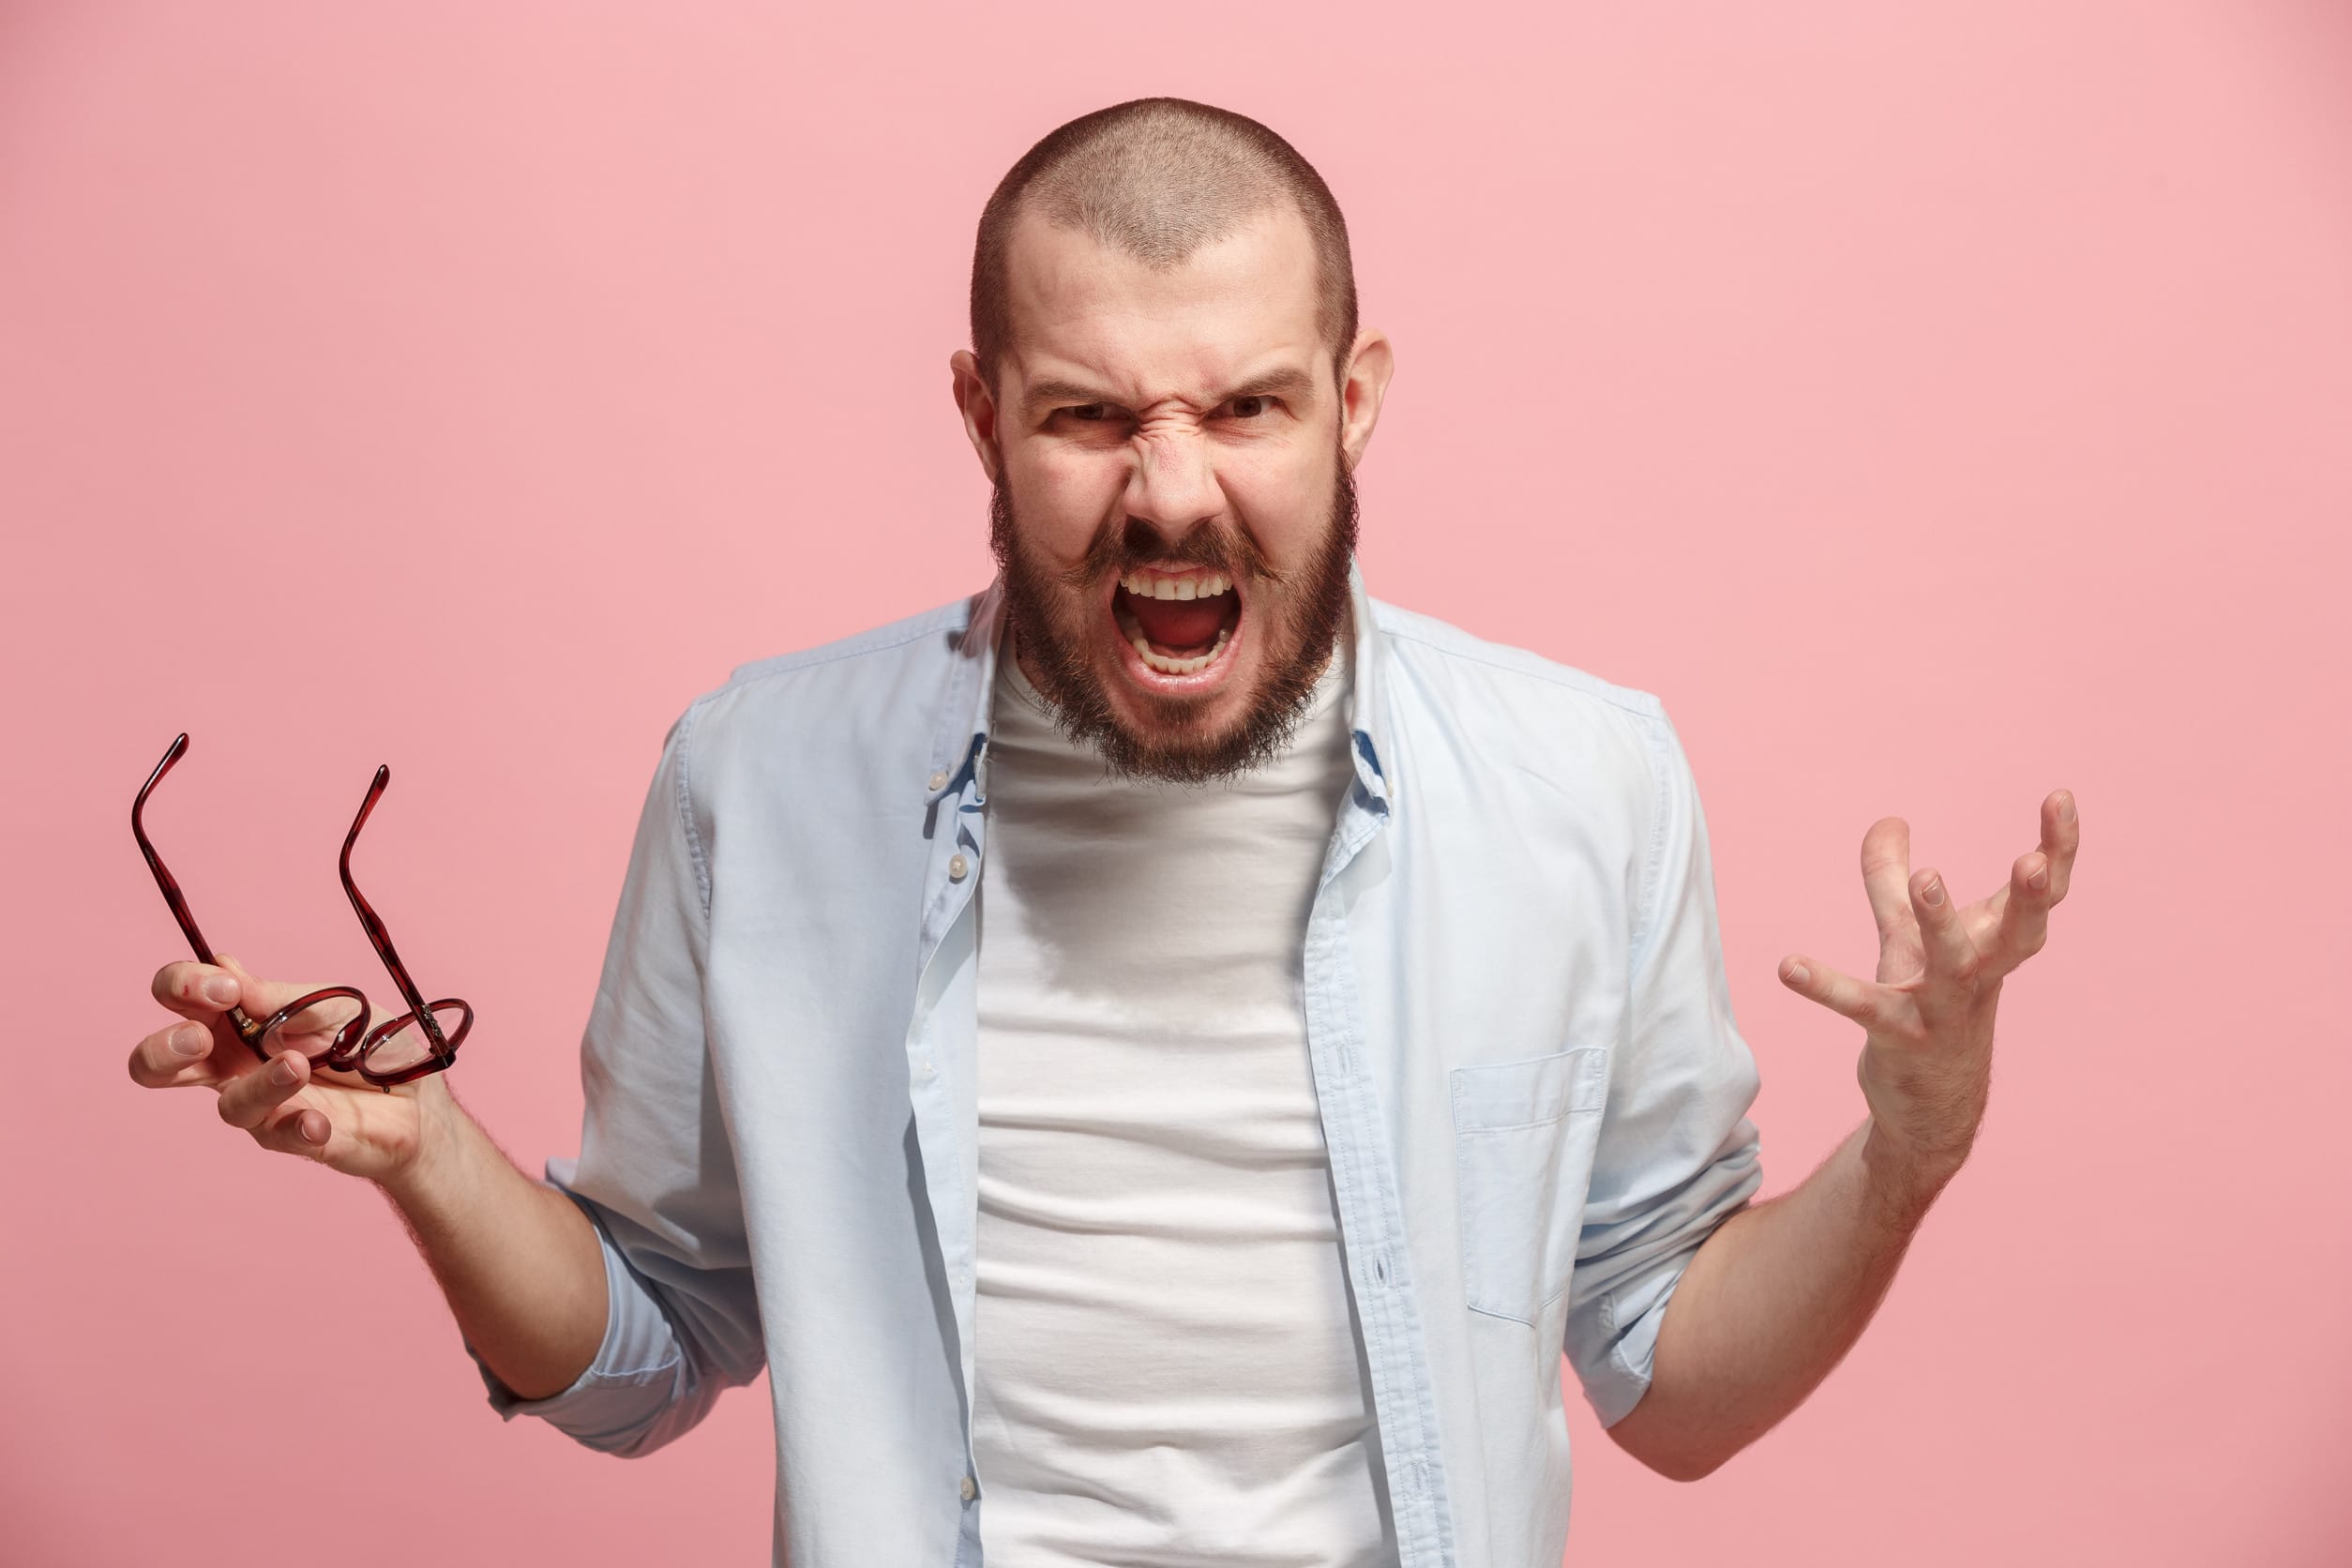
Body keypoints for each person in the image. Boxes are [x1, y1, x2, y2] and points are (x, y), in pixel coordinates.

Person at [127, 98, 2078, 1567]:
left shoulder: (1586, 784)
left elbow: (1670, 1378)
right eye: (1087, 417)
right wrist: (425, 1154)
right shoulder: (759, 777)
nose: (1170, 492)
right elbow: (644, 1356)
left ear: (1355, 403)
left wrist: (1903, 1161)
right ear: (979, 413)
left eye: (1245, 405)